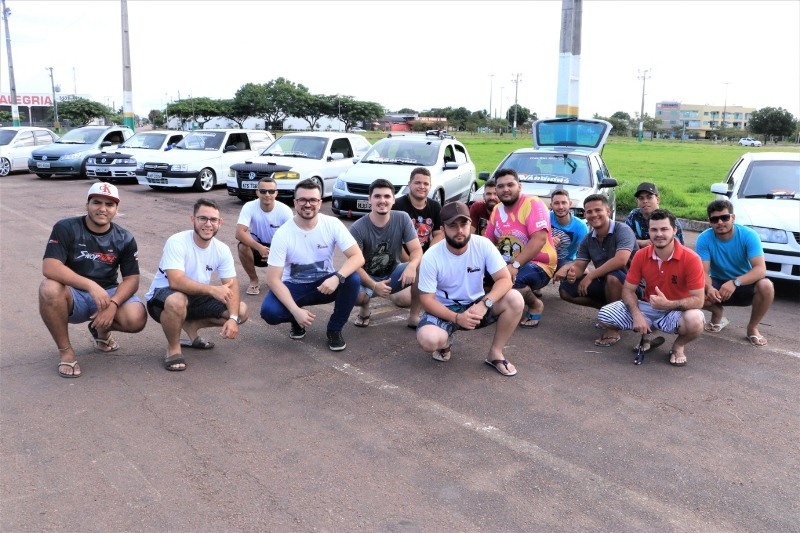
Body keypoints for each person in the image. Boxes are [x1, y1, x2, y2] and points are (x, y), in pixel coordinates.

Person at [40, 182, 147, 378]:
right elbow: (50, 266)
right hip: (73, 295)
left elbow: (132, 279)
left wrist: (113, 304)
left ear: (116, 209)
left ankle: (101, 332)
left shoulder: (124, 237)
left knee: (137, 317)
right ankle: (66, 351)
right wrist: (90, 286)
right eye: (97, 202)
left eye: (109, 204)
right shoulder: (66, 227)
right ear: (87, 205)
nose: (103, 209)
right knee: (49, 288)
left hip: (108, 294)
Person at [416, 201, 525, 376]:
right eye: (452, 225)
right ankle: (444, 342)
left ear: (470, 224)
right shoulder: (431, 256)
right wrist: (457, 318)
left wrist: (484, 304)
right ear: (443, 229)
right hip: (445, 308)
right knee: (428, 340)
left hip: (477, 306)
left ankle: (495, 353)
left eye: (464, 224)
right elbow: (426, 299)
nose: (459, 230)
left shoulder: (483, 244)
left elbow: (505, 279)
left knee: (515, 299)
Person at [260, 178, 365, 351]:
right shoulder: (283, 233)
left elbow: (357, 257)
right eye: (302, 200)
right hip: (294, 287)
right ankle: (296, 321)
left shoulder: (332, 224)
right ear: (295, 202)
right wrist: (295, 311)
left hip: (325, 284)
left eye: (313, 200)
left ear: (320, 202)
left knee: (352, 278)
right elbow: (273, 280)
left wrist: (337, 277)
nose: (308, 204)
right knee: (269, 312)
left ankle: (334, 329)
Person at [145, 199, 248, 371]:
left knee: (241, 310)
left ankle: (192, 325)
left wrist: (232, 318)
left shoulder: (221, 249)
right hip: (163, 297)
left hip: (195, 298)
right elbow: (175, 281)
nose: (208, 224)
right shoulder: (177, 241)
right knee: (177, 300)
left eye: (213, 220)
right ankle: (173, 348)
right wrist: (212, 290)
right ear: (193, 219)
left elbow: (232, 286)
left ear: (219, 223)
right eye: (203, 219)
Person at [596, 209, 705, 366]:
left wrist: (668, 304)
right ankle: (647, 336)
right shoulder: (641, 255)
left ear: (674, 230)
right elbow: (628, 290)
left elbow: (699, 301)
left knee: (695, 320)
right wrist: (637, 315)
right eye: (654, 229)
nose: (659, 234)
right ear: (649, 231)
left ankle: (678, 347)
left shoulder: (691, 259)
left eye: (664, 229)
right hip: (648, 306)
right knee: (605, 315)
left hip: (675, 310)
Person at [485, 168, 557, 328]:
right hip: (506, 263)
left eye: (510, 184)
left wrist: (514, 266)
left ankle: (535, 304)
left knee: (514, 281)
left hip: (539, 263)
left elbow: (539, 240)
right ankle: (496, 304)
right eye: (501, 186)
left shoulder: (533, 203)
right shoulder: (497, 209)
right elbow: (488, 241)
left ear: (519, 186)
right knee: (477, 275)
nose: (506, 189)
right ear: (495, 189)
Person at [696, 199, 774, 347]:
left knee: (766, 286)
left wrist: (735, 282)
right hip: (718, 283)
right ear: (709, 221)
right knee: (693, 290)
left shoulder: (749, 235)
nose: (720, 222)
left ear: (733, 217)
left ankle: (752, 328)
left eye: (724, 217)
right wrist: (709, 288)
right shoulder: (704, 239)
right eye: (714, 219)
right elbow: (703, 272)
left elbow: (760, 269)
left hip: (744, 284)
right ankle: (717, 312)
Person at [554, 194, 639, 327]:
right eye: (589, 211)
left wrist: (591, 276)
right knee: (566, 289)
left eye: (598, 210)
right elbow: (579, 266)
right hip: (606, 284)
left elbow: (621, 260)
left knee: (613, 276)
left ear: (608, 211)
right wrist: (571, 273)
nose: (593, 214)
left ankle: (613, 327)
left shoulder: (623, 230)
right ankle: (606, 310)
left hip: (632, 286)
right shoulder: (588, 239)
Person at [349, 179, 423, 327]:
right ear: (369, 199)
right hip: (367, 278)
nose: (382, 200)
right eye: (377, 196)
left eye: (387, 196)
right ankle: (364, 308)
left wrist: (411, 265)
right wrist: (374, 285)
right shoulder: (357, 228)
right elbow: (354, 264)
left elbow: (416, 249)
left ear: (393, 200)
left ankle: (414, 316)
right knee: (357, 295)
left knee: (421, 265)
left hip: (393, 274)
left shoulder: (402, 218)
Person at [392, 167, 444, 326]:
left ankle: (414, 316)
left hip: (425, 258)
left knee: (440, 291)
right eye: (418, 183)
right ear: (409, 184)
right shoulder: (398, 205)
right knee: (403, 299)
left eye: (426, 183)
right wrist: (412, 263)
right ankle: (391, 289)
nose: (422, 186)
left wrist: (426, 258)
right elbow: (394, 242)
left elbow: (439, 235)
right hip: (402, 260)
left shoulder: (435, 206)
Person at [235, 176, 293, 296]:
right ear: (257, 192)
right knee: (242, 246)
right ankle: (254, 280)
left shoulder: (285, 210)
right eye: (263, 191)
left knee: (294, 249)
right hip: (257, 247)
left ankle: (279, 279)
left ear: (276, 193)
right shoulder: (249, 206)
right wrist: (259, 247)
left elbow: (293, 237)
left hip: (278, 248)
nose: (267, 194)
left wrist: (276, 251)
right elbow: (239, 233)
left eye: (271, 191)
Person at [625, 182, 684, 248]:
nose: (645, 201)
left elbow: (678, 246)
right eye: (641, 198)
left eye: (649, 197)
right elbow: (624, 238)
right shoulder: (634, 215)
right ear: (637, 201)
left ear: (658, 200)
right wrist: (641, 242)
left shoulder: (668, 219)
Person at [549, 188, 589, 270]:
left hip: (566, 261)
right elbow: (531, 240)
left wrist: (567, 267)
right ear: (551, 205)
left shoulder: (581, 226)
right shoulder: (545, 217)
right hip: (544, 258)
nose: (560, 207)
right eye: (556, 203)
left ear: (570, 204)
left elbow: (584, 256)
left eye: (564, 203)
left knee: (581, 274)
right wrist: (548, 241)